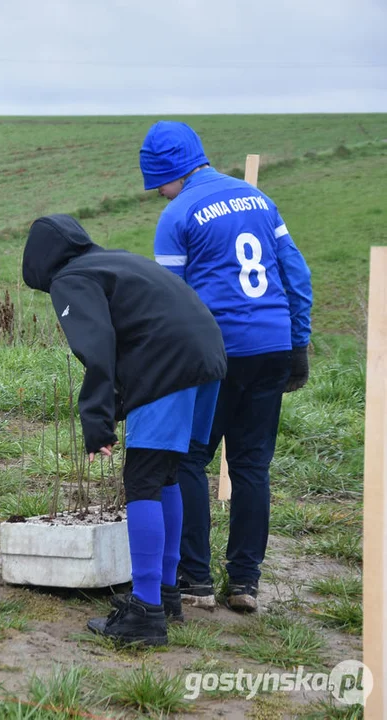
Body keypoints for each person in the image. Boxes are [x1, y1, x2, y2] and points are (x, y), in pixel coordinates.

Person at [21, 214, 226, 646]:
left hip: (168, 362)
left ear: (40, 265)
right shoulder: (114, 260)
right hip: (206, 356)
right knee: (166, 473)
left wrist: (96, 419)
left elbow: (96, 347)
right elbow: (132, 331)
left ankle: (145, 612)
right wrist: (116, 404)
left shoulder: (70, 278)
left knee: (143, 480)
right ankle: (166, 594)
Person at [140, 121, 313, 613]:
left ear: (170, 174)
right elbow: (295, 272)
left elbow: (172, 303)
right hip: (273, 346)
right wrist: (298, 342)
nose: (158, 194)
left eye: (158, 184)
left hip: (215, 353)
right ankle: (245, 583)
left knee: (191, 459)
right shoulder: (257, 199)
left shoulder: (177, 214)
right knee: (252, 466)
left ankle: (194, 580)